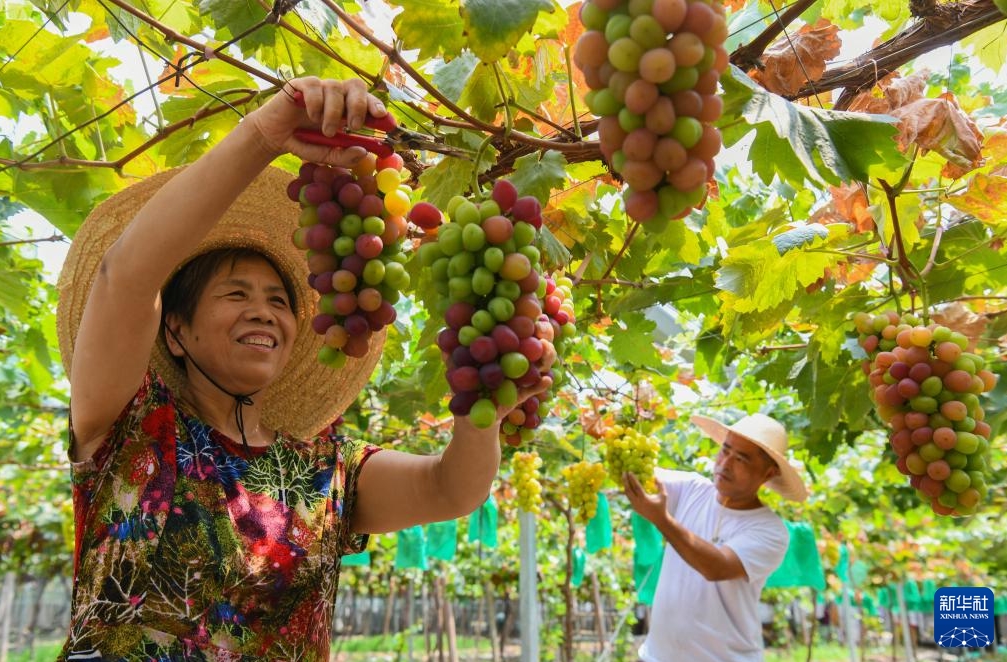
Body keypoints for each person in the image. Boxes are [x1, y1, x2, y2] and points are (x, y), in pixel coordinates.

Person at [54, 76, 551, 661]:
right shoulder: (129, 428)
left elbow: (451, 487)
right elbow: (126, 278)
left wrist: (483, 401)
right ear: (177, 331)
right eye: (235, 295)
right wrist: (263, 136)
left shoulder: (324, 470)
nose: (263, 311)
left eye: (279, 300)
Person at [622, 413, 808, 662]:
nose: (726, 463)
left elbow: (717, 567)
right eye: (725, 450)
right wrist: (613, 432)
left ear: (768, 473)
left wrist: (662, 520)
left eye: (741, 459)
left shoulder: (770, 530)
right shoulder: (692, 488)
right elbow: (639, 473)